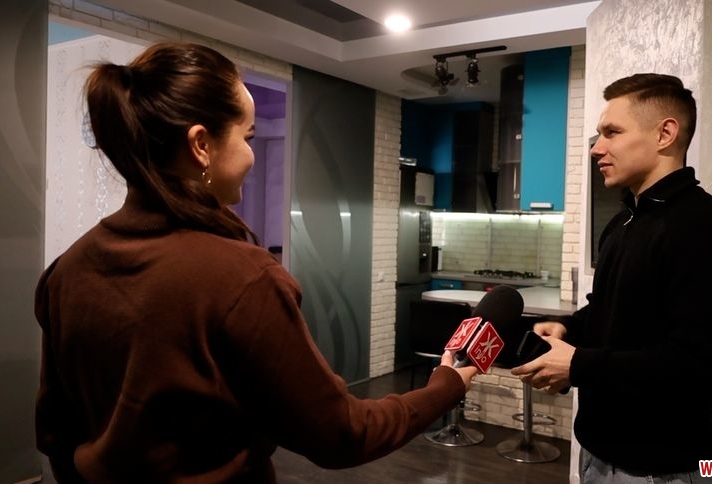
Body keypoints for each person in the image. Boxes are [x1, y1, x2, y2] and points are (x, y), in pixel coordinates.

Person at [34, 41, 478, 483]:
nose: (252, 154)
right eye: (248, 137)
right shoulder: (241, 277)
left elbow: (55, 435)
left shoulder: (66, 272)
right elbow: (343, 434)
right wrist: (446, 384)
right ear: (201, 144)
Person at [511, 73, 712, 482]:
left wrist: (580, 365)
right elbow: (611, 311)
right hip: (596, 457)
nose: (596, 148)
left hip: (656, 471)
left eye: (612, 132)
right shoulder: (622, 222)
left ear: (665, 134)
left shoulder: (701, 225)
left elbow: (706, 368)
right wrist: (569, 328)